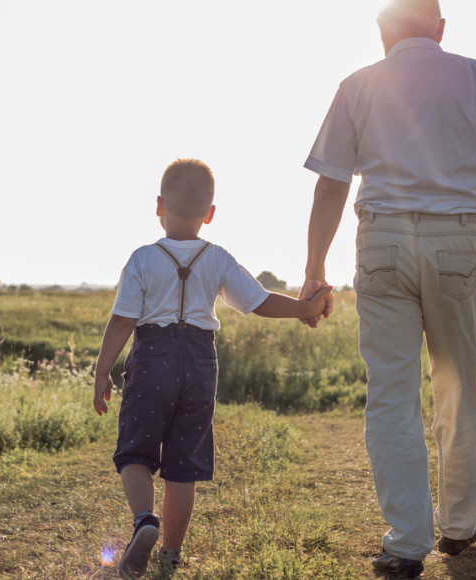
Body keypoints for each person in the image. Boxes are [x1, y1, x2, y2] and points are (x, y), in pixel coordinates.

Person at [298, 0, 476, 577]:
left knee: (390, 393)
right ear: (440, 28)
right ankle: (459, 529)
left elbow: (331, 185)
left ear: (382, 30)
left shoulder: (356, 85)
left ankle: (405, 542)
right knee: (458, 385)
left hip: (381, 241)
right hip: (458, 242)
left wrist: (315, 267)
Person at [93, 158, 332, 578]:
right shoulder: (217, 257)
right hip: (201, 363)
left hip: (151, 360)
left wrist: (101, 371)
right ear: (210, 213)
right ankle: (169, 556)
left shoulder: (142, 259)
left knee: (135, 451)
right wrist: (305, 308)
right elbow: (259, 301)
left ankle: (143, 522)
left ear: (158, 206)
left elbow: (123, 321)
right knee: (183, 465)